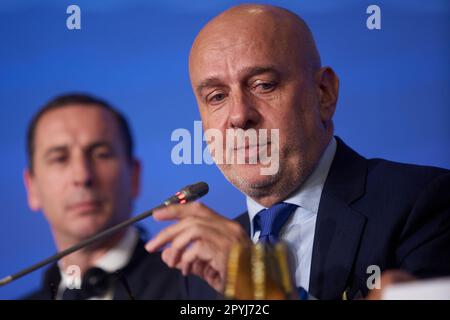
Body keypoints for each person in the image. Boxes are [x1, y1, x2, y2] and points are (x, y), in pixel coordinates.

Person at [145, 4, 450, 299]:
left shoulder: (424, 203)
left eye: (263, 85)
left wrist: (262, 288)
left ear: (324, 94)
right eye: (217, 96)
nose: (239, 116)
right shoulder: (200, 267)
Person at [23, 93, 215, 299]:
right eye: (60, 158)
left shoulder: (199, 287)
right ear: (31, 187)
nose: (82, 176)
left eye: (101, 154)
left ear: (134, 176)